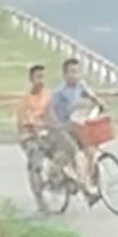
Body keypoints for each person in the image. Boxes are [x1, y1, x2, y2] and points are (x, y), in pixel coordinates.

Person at [49, 55, 107, 194]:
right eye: (72, 72)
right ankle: (81, 185)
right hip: (64, 127)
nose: (75, 76)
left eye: (77, 72)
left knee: (91, 150)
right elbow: (53, 112)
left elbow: (92, 96)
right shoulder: (60, 93)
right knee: (74, 154)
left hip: (77, 124)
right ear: (65, 75)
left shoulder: (81, 86)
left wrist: (100, 103)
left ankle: (89, 179)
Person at [16, 62, 53, 202]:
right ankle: (39, 196)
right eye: (38, 77)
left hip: (46, 132)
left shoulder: (48, 95)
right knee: (36, 157)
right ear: (31, 79)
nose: (41, 81)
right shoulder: (26, 101)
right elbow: (29, 124)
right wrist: (39, 136)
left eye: (43, 77)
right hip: (30, 136)